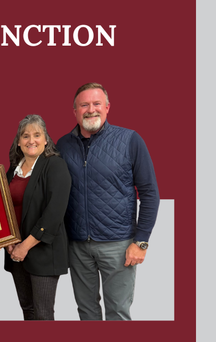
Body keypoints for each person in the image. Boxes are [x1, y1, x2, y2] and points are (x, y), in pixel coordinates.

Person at [56, 82, 160, 321]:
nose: (91, 110)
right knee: (87, 313)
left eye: (96, 104)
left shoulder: (130, 140)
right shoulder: (62, 145)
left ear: (107, 107)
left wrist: (141, 241)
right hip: (77, 246)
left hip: (120, 245)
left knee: (118, 314)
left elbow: (150, 193)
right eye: (84, 105)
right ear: (75, 111)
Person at [3, 114, 72, 320]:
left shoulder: (55, 166)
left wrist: (25, 246)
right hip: (15, 251)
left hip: (43, 251)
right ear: (18, 142)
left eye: (36, 135)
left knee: (42, 314)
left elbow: (54, 214)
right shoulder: (12, 171)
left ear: (45, 140)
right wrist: (9, 241)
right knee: (28, 309)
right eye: (25, 136)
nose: (30, 140)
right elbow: (4, 209)